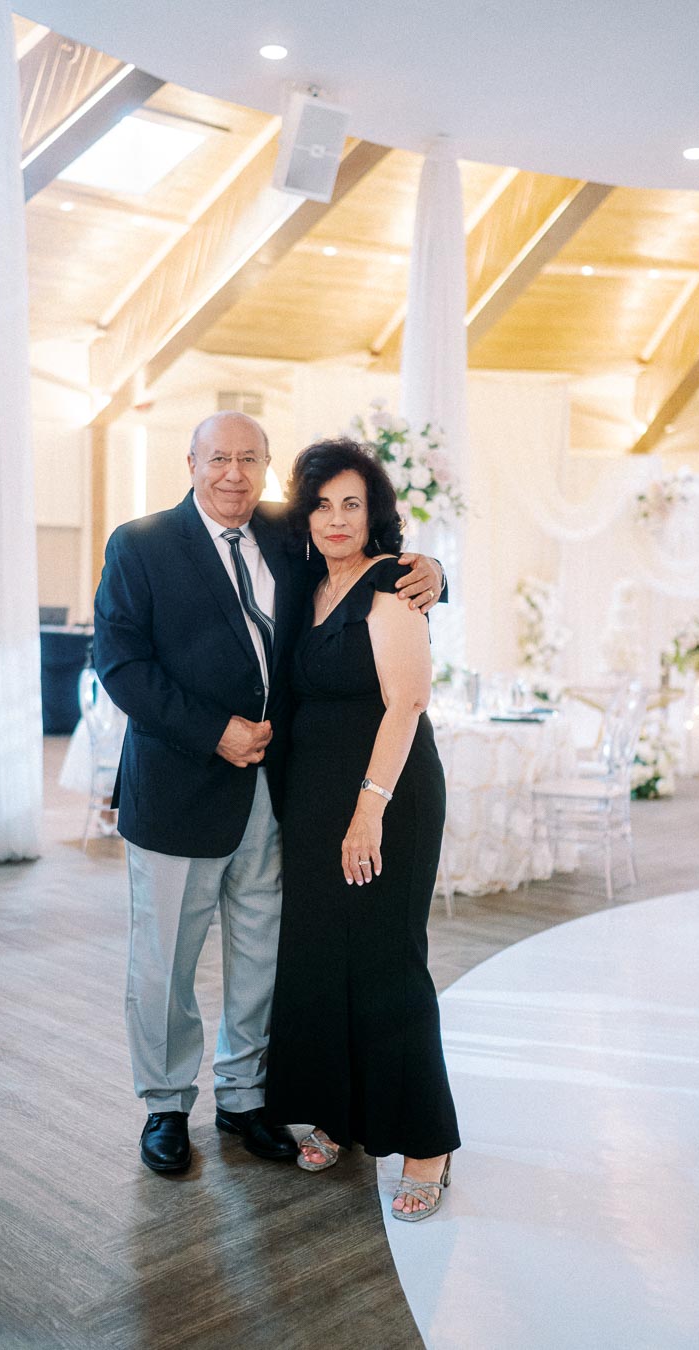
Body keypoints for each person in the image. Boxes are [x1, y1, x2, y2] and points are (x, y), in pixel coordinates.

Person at [93, 412, 446, 1175]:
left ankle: (244, 1095)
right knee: (165, 962)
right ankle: (163, 1102)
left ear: (268, 470)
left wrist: (437, 574)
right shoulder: (140, 543)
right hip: (181, 785)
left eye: (250, 460)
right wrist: (211, 730)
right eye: (218, 457)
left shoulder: (289, 530)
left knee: (262, 954)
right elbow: (119, 665)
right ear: (190, 461)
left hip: (277, 789)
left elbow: (370, 548)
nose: (233, 474)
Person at [264, 439, 460, 1221]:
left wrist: (368, 809)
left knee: (385, 962)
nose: (336, 519)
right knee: (317, 958)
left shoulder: (392, 590)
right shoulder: (307, 579)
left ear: (374, 513)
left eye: (352, 503)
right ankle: (338, 1115)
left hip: (387, 799)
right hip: (314, 802)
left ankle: (426, 1144)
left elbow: (406, 703)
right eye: (321, 504)